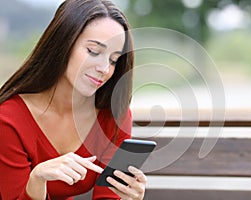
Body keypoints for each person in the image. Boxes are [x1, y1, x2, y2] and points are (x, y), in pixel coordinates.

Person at [0, 0, 147, 199]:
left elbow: (108, 196)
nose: (104, 69)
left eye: (113, 60)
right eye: (94, 51)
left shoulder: (113, 116)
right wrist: (37, 181)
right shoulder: (8, 120)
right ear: (63, 43)